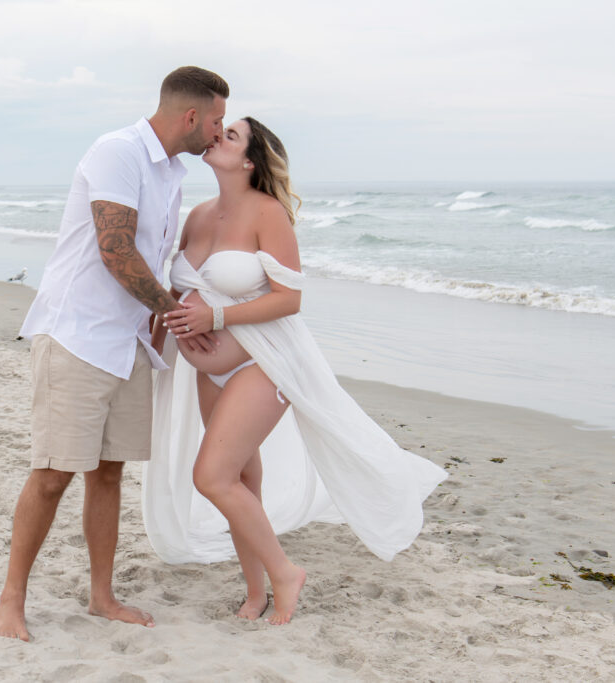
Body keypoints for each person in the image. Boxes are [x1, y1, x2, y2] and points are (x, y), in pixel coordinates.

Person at [143, 117, 447, 625]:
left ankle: (285, 573)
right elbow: (177, 293)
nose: (217, 135)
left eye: (231, 135)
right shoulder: (198, 215)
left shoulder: (268, 214)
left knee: (212, 477)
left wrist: (213, 317)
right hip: (206, 371)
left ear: (249, 161)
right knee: (241, 478)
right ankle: (256, 590)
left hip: (263, 365)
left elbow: (289, 300)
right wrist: (161, 338)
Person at [0, 66, 228, 642]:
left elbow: (148, 254)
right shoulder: (118, 151)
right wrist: (176, 312)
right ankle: (10, 600)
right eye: (217, 121)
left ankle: (102, 596)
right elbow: (116, 248)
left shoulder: (172, 170)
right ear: (191, 116)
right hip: (77, 335)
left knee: (108, 474)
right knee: (52, 475)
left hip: (128, 343)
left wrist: (166, 317)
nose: (219, 134)